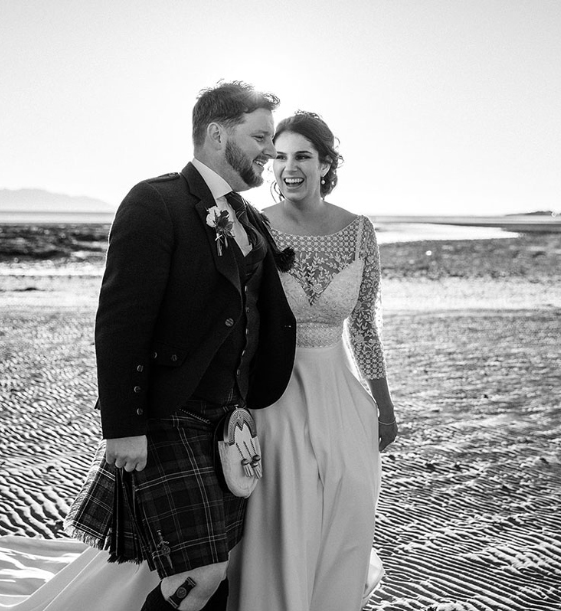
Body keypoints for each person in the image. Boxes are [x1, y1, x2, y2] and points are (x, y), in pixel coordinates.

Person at [64, 81, 297, 611]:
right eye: (260, 135)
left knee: (220, 568)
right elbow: (121, 321)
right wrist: (124, 426)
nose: (270, 150)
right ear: (217, 134)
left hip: (229, 419)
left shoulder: (245, 213)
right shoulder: (156, 201)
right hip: (170, 415)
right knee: (202, 576)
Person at [227, 111, 399, 611]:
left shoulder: (358, 230)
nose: (288, 167)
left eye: (302, 156)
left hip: (342, 397)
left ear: (326, 164)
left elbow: (365, 326)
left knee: (349, 510)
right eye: (279, 157)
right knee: (286, 519)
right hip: (274, 400)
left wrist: (384, 406)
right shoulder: (253, 225)